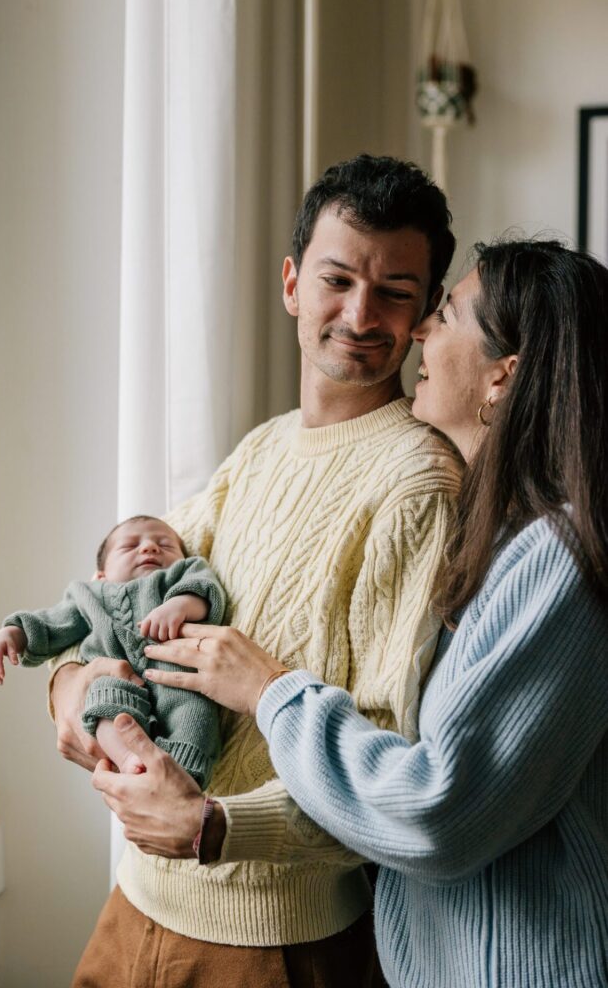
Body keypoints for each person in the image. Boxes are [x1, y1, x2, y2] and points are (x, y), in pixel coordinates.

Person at [142, 239, 608, 988]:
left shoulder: (556, 559)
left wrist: (270, 691)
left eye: (442, 312)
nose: (419, 330)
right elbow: (136, 566)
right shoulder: (500, 533)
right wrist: (71, 672)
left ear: (503, 375)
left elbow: (438, 808)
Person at [50, 155, 463, 988]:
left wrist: (213, 827)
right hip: (132, 906)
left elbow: (388, 768)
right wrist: (66, 680)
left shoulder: (420, 485)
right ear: (291, 283)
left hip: (272, 943)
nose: (358, 313)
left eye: (393, 291)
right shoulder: (262, 447)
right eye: (337, 278)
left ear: (423, 314)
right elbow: (120, 600)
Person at [0, 515, 224, 785]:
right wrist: (15, 633)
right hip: (116, 679)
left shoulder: (182, 572)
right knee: (102, 702)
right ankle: (127, 760)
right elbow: (53, 623)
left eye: (165, 544)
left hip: (177, 680)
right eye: (129, 546)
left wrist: (180, 606)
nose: (149, 547)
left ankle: (184, 778)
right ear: (101, 575)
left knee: (195, 715)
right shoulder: (89, 594)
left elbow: (205, 590)